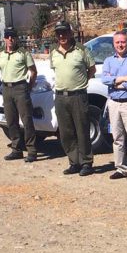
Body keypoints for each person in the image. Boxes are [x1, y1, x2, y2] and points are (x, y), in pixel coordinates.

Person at [51, 20, 96, 176]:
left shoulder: (81, 50)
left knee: (82, 130)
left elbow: (92, 69)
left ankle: (86, 163)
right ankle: (74, 161)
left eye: (64, 32)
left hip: (78, 96)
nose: (62, 35)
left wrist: (82, 83)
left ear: (71, 33)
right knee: (66, 132)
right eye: (59, 33)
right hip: (60, 97)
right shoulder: (53, 52)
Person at [101, 30, 127, 181]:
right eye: (117, 42)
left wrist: (115, 82)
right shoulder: (108, 61)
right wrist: (124, 78)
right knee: (117, 138)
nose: (120, 45)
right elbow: (104, 80)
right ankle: (120, 168)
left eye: (123, 42)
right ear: (114, 44)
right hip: (113, 103)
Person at [0, 26, 38, 162]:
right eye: (8, 36)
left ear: (16, 38)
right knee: (11, 121)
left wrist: (29, 87)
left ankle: (31, 150)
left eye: (12, 36)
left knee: (27, 120)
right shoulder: (0, 54)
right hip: (6, 88)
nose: (10, 39)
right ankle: (16, 149)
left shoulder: (23, 53)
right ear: (4, 38)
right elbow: (2, 70)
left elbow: (33, 71)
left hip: (20, 87)